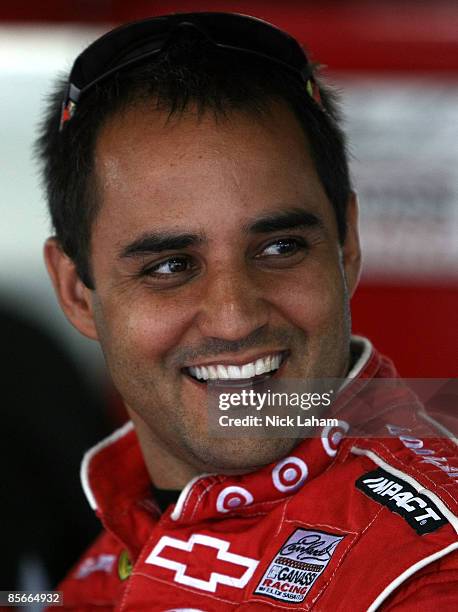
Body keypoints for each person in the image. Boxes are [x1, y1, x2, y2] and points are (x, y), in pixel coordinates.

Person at [36, 12, 458, 610]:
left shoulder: (427, 574)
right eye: (170, 266)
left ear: (347, 248)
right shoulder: (128, 523)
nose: (234, 317)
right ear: (78, 291)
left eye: (281, 248)